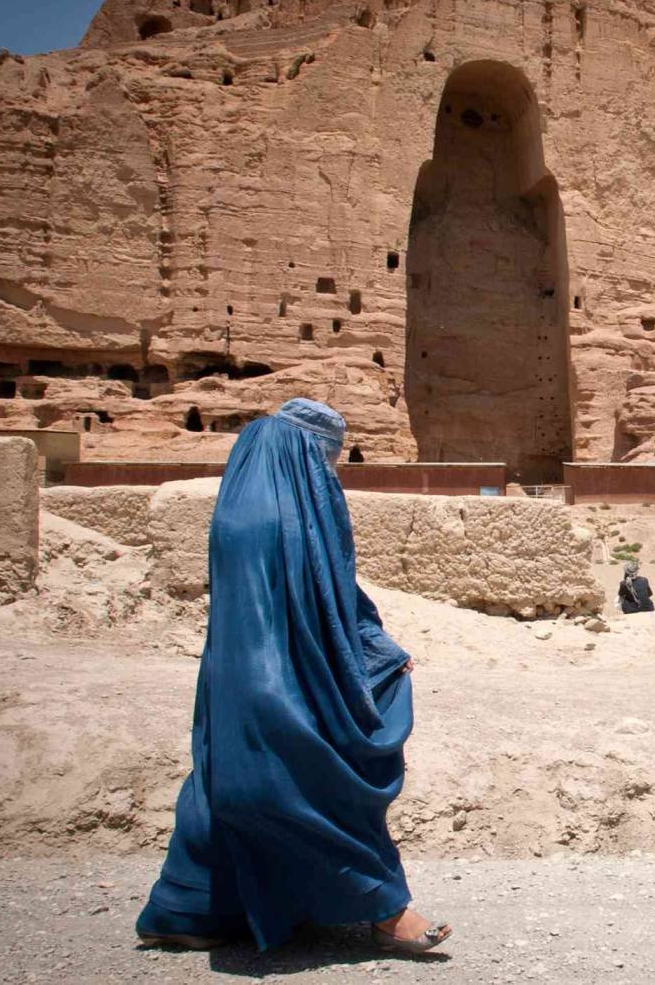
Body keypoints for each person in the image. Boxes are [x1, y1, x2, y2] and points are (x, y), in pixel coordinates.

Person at [135, 399, 451, 954]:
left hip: (231, 676)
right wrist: (378, 654)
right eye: (326, 458)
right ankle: (384, 908)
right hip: (280, 676)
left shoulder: (239, 505)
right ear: (306, 451)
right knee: (306, 779)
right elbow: (327, 599)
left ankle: (185, 910)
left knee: (221, 781)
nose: (328, 471)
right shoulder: (286, 517)